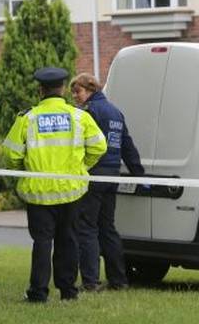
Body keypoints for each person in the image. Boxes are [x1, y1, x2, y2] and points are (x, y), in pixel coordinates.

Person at [2, 67, 107, 303]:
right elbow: (100, 146)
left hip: (39, 194)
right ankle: (68, 291)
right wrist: (81, 167)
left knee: (42, 243)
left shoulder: (27, 118)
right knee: (68, 240)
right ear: (62, 89)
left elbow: (10, 153)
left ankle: (38, 292)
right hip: (71, 191)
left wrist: (25, 168)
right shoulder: (80, 116)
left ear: (41, 90)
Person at [70, 73, 145, 292]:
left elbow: (83, 144)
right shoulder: (115, 111)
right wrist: (139, 174)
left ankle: (90, 281)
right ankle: (118, 279)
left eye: (78, 91)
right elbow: (127, 145)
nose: (75, 96)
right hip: (112, 174)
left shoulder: (89, 112)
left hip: (94, 174)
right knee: (107, 227)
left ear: (91, 89)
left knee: (87, 228)